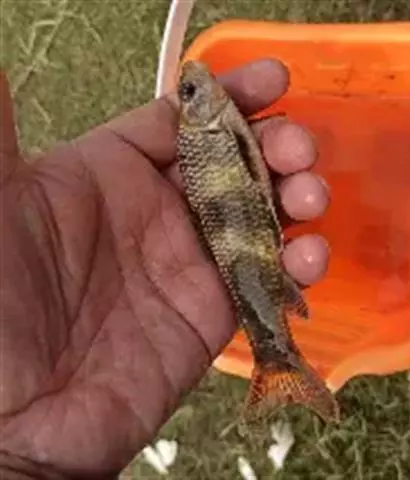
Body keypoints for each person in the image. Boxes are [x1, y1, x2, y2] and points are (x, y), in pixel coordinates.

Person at [0, 59, 331, 479]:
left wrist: (17, 458)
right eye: (190, 94)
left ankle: (276, 356)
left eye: (188, 93)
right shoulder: (207, 132)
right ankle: (276, 358)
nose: (195, 83)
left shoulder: (203, 135)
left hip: (241, 237)